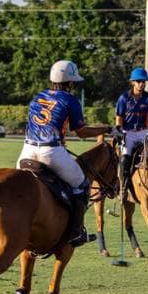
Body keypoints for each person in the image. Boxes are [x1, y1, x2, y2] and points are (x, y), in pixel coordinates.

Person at [17, 60, 113, 246]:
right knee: (82, 184)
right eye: (73, 82)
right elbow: (81, 132)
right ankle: (76, 232)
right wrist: (106, 129)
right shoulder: (70, 100)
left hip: (26, 151)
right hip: (50, 151)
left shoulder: (37, 97)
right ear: (69, 82)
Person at [113, 67, 148, 198]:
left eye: (144, 81)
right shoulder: (124, 98)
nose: (142, 84)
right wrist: (119, 131)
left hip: (144, 131)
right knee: (126, 157)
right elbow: (119, 117)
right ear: (132, 82)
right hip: (128, 133)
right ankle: (124, 186)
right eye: (139, 81)